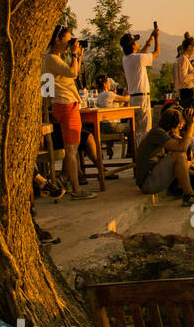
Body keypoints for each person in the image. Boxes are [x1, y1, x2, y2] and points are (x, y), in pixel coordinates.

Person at [42, 26, 94, 200]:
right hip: (66, 105)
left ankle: (66, 179)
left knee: (71, 148)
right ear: (57, 40)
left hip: (65, 105)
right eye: (67, 40)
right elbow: (73, 73)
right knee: (71, 150)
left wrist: (78, 55)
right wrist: (73, 54)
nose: (69, 44)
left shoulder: (53, 59)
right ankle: (77, 191)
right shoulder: (51, 59)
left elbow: (72, 73)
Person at [133, 107, 194, 204]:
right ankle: (189, 195)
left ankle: (187, 189)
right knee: (179, 155)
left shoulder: (166, 133)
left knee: (187, 162)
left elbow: (187, 142)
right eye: (180, 125)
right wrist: (190, 124)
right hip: (147, 183)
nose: (181, 127)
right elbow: (183, 147)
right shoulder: (158, 133)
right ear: (175, 125)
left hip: (152, 178)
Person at [120, 24, 159, 142]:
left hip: (132, 99)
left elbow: (141, 55)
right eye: (136, 41)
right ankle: (144, 158)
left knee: (137, 131)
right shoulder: (137, 59)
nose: (138, 43)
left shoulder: (126, 59)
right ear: (132, 45)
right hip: (142, 99)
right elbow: (156, 53)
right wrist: (156, 38)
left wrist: (150, 40)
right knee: (145, 131)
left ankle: (137, 155)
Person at [93, 76, 130, 159]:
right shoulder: (108, 94)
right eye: (108, 83)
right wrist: (128, 91)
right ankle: (131, 153)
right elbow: (126, 99)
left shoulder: (100, 95)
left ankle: (129, 152)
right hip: (111, 126)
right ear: (105, 84)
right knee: (133, 128)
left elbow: (117, 105)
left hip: (103, 126)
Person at [175, 33, 194, 108]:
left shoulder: (184, 59)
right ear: (189, 47)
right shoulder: (183, 59)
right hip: (187, 93)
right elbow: (183, 78)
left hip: (186, 92)